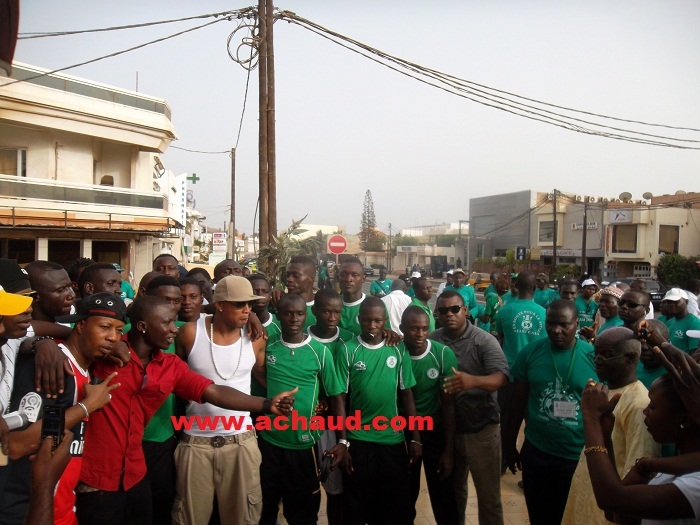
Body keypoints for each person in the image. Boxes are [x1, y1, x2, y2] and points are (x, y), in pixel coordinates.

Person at [74, 295, 295, 524]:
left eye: (174, 322)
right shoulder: (100, 356)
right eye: (167, 323)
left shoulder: (170, 366)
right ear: (141, 326)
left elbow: (215, 392)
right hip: (94, 481)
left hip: (135, 476)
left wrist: (267, 404)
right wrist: (40, 344)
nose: (174, 330)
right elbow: (69, 340)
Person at [2, 293, 121, 525]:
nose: (112, 337)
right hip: (30, 512)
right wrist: (86, 407)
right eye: (105, 327)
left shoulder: (88, 372)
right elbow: (17, 443)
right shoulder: (55, 368)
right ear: (81, 325)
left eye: (118, 330)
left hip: (64, 509)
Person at [173, 276, 268, 524]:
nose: (247, 310)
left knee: (243, 517)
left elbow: (263, 376)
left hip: (241, 442)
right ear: (220, 304)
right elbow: (176, 378)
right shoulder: (190, 333)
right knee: (189, 518)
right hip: (195, 441)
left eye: (249, 304)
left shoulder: (256, 338)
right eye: (239, 304)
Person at [506, 300, 597, 525]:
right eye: (550, 324)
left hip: (577, 456)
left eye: (564, 325)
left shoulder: (593, 356)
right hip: (537, 452)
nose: (556, 330)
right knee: (540, 516)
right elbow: (516, 403)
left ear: (576, 324)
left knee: (570, 517)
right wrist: (508, 445)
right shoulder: (531, 353)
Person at [259, 294, 347, 525]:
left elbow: (336, 396)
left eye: (299, 313)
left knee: (304, 515)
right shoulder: (269, 345)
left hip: (304, 447)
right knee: (264, 508)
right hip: (269, 443)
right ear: (279, 314)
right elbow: (258, 373)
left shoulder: (319, 351)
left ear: (306, 315)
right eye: (288, 313)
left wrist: (343, 441)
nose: (294, 318)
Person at [561, 327, 660, 525]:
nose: (597, 360)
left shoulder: (638, 404)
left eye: (606, 355)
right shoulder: (602, 392)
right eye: (596, 354)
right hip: (588, 496)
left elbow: (638, 470)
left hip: (609, 511)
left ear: (631, 358)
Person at [337, 296, 421, 525]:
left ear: (385, 321)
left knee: (393, 504)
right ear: (359, 320)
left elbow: (407, 395)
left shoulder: (397, 349)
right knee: (356, 504)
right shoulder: (348, 349)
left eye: (377, 321)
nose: (372, 326)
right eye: (366, 321)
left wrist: (415, 439)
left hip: (391, 440)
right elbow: (341, 400)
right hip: (358, 438)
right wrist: (343, 443)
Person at [430, 290, 508, 525]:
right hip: (448, 433)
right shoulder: (433, 339)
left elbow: (501, 377)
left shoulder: (483, 340)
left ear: (465, 310)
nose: (449, 315)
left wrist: (472, 381)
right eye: (443, 311)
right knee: (454, 496)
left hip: (481, 430)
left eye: (455, 309)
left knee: (488, 499)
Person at [582, 374, 700, 524]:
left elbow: (612, 499)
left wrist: (590, 419)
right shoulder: (667, 470)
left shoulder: (696, 484)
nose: (645, 411)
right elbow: (616, 514)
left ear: (685, 420)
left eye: (652, 406)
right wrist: (605, 438)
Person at [401, 306, 459, 525]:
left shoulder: (443, 355)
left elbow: (448, 405)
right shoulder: (395, 352)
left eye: (425, 328)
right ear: (402, 329)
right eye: (414, 328)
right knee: (405, 495)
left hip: (434, 431)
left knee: (444, 495)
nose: (420, 334)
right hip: (405, 432)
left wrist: (448, 450)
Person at [307, 288, 353, 525]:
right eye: (326, 311)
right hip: (306, 423)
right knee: (308, 488)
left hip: (337, 424)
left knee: (336, 487)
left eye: (337, 312)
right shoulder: (302, 338)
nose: (332, 317)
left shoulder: (348, 338)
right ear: (314, 311)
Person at [494, 271, 547, 474]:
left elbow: (501, 336)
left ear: (516, 286)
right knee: (532, 422)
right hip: (534, 376)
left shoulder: (505, 311)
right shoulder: (543, 313)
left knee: (506, 420)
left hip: (509, 375)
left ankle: (502, 462)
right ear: (534, 288)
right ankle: (528, 466)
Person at [663, 288, 700, 354]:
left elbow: (695, 355)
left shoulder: (695, 324)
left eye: (676, 301)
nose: (671, 304)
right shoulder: (670, 322)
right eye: (669, 302)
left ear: (686, 302)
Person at [285, 255, 318, 329]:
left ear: (311, 278)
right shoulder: (280, 304)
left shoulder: (323, 309)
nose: (289, 279)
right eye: (287, 275)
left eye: (296, 276)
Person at [636, 320, 670, 390]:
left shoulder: (673, 374)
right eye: (641, 341)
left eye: (651, 342)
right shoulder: (631, 368)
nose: (644, 347)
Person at [338, 257, 367, 335]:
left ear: (363, 279)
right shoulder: (330, 305)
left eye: (354, 275)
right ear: (338, 277)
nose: (348, 279)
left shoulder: (374, 305)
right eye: (344, 275)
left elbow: (386, 334)